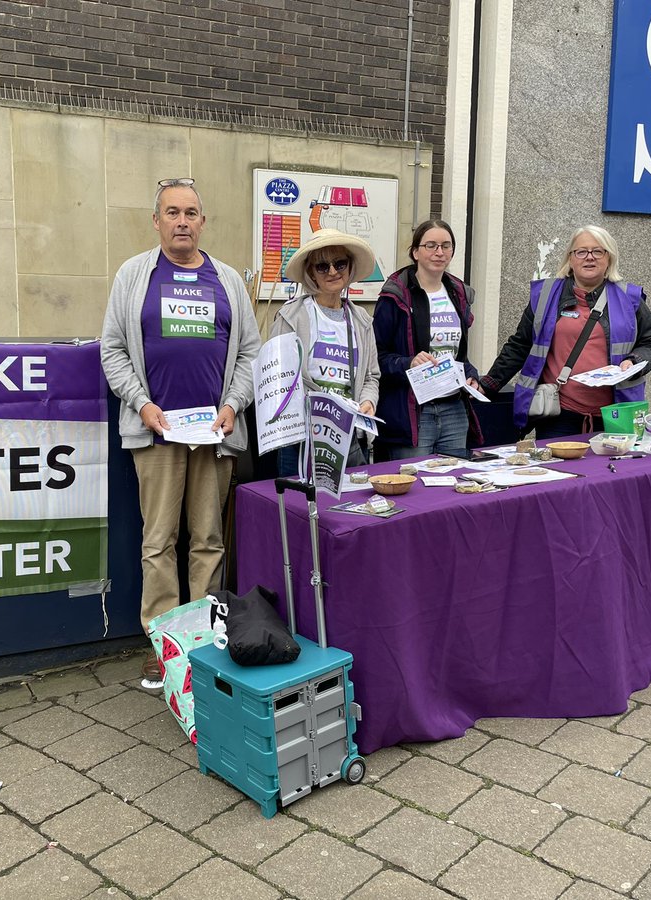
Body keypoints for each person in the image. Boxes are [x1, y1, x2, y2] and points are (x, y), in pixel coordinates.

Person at [100, 179, 260, 687]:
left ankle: (205, 639)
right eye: (172, 212)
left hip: (215, 434)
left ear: (203, 221)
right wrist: (142, 404)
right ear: (156, 220)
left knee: (209, 539)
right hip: (157, 433)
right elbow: (112, 350)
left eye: (191, 212)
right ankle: (164, 645)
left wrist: (234, 405)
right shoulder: (134, 275)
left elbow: (251, 355)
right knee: (159, 541)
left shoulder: (228, 280)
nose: (182, 221)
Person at [479, 225, 651, 438]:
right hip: (559, 414)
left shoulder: (630, 298)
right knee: (561, 471)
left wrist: (633, 360)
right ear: (570, 258)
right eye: (581, 251)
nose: (589, 257)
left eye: (598, 251)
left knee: (613, 471)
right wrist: (488, 384)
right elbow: (520, 345)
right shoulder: (546, 295)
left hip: (616, 413)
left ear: (609, 258)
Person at [269, 228, 380, 475]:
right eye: (322, 266)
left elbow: (371, 376)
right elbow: (277, 380)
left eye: (340, 264)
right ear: (311, 272)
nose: (332, 272)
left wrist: (368, 402)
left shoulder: (361, 320)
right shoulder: (291, 317)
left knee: (350, 510)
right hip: (301, 439)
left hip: (349, 436)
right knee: (298, 510)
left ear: (350, 268)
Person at [373, 219, 480, 460]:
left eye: (446, 245)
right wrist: (408, 362)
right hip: (413, 412)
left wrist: (471, 374)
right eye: (431, 245)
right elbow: (376, 357)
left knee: (454, 484)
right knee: (416, 487)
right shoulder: (395, 296)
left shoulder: (459, 293)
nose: (439, 252)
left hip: (454, 407)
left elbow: (458, 355)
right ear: (415, 252)